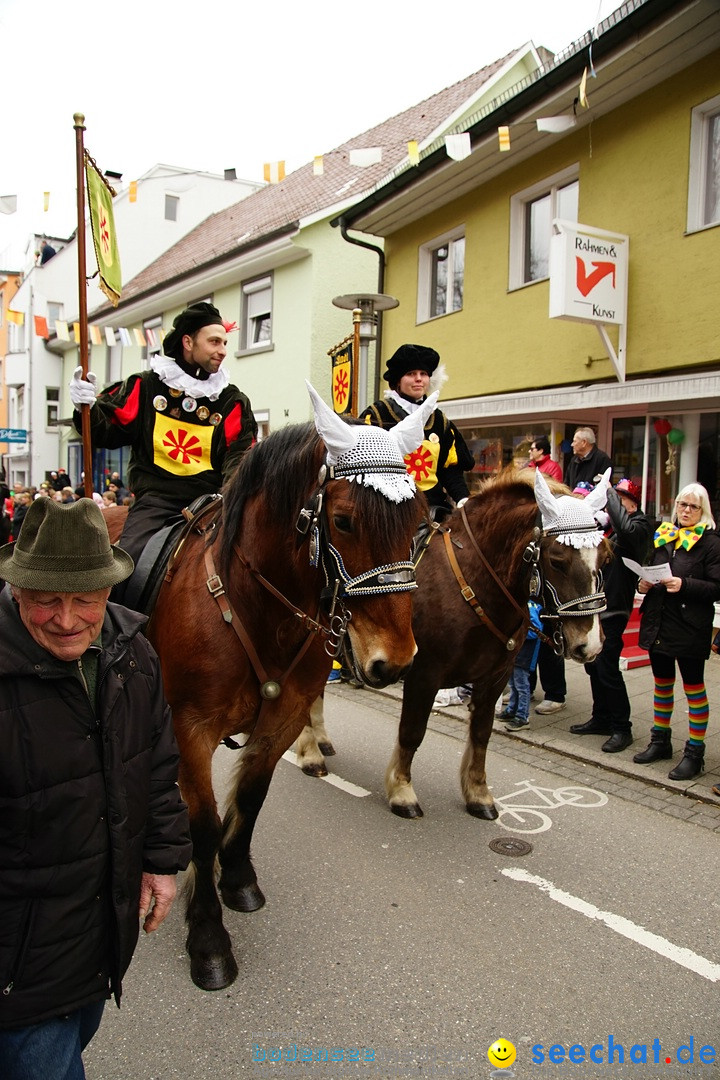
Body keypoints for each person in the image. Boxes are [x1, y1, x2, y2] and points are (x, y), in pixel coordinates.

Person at [0, 497, 191, 1079]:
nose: (66, 619)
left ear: (109, 591)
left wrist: (161, 861)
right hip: (18, 960)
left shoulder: (133, 652)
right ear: (17, 590)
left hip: (100, 930)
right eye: (45, 600)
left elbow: (157, 764)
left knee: (76, 1040)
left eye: (84, 598)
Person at [69, 302, 257, 565]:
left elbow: (240, 458)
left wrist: (232, 501)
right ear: (188, 342)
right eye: (215, 342)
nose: (223, 351)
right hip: (156, 504)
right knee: (127, 565)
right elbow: (108, 431)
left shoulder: (231, 401)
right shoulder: (146, 386)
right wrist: (86, 407)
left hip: (211, 505)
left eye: (225, 343)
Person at [633, 483, 720, 781]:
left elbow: (717, 587)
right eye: (682, 504)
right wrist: (642, 584)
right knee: (662, 684)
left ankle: (694, 753)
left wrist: (685, 584)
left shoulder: (711, 542)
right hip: (659, 621)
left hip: (690, 626)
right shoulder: (664, 535)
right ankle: (660, 742)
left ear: (703, 510)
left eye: (692, 506)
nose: (685, 510)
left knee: (694, 689)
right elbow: (649, 568)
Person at [570, 478, 654, 752]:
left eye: (619, 498)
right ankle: (601, 717)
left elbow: (627, 532)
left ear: (631, 502)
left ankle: (622, 728)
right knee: (594, 667)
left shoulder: (640, 525)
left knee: (608, 669)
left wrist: (607, 492)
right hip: (599, 604)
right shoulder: (610, 526)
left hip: (616, 607)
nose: (613, 503)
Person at [359, 343, 474, 518]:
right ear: (398, 380)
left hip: (434, 511)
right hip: (390, 511)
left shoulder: (440, 420)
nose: (418, 379)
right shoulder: (377, 415)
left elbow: (450, 472)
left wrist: (463, 500)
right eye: (411, 374)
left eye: (423, 374)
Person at [495, 599, 544, 729]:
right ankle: (512, 710)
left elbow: (535, 630)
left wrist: (517, 633)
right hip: (516, 652)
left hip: (524, 653)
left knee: (521, 685)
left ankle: (522, 716)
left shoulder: (530, 606)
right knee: (513, 684)